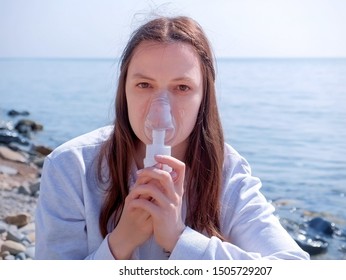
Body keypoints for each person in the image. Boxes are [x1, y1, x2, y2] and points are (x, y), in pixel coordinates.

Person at [35, 16, 309, 260]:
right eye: (144, 85)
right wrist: (121, 242)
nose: (160, 109)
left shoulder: (227, 171)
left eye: (182, 87)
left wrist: (180, 239)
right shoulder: (71, 167)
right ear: (124, 91)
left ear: (204, 98)